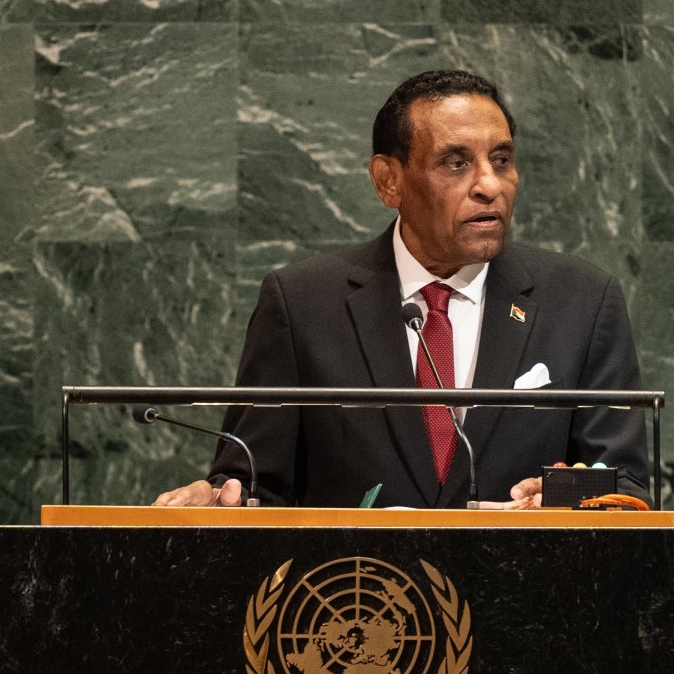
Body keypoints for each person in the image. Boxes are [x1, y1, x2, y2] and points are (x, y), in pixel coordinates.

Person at [154, 70, 649, 509]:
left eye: (501, 160)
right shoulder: (303, 304)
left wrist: (566, 498)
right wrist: (221, 498)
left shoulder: (581, 303)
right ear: (388, 181)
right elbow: (254, 480)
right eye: (456, 163)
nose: (489, 185)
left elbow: (625, 487)